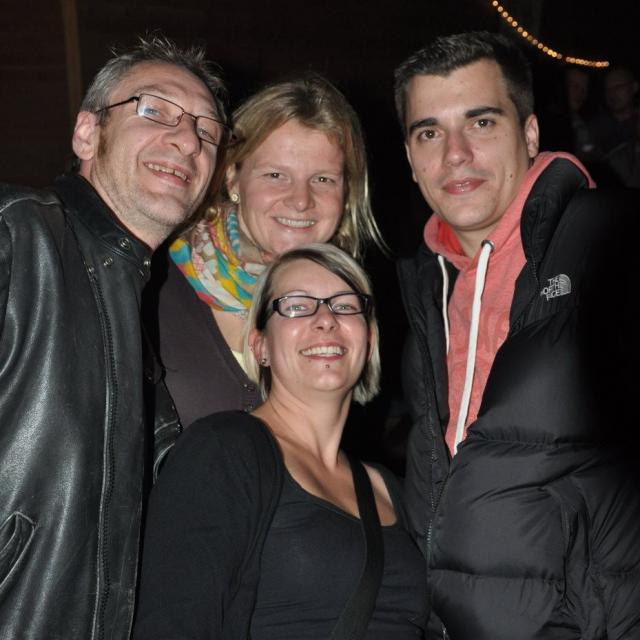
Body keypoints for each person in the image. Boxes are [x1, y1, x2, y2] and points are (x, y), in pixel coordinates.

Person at [394, 31, 640, 639]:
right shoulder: (426, 288)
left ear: (529, 135)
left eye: (481, 122)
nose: (455, 154)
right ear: (410, 158)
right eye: (429, 133)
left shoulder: (610, 243)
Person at [0, 35, 227, 639]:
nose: (188, 140)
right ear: (87, 133)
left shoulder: (132, 314)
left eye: (207, 131)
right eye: (155, 110)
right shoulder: (17, 236)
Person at [133, 244, 427, 639]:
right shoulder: (224, 451)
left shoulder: (388, 488)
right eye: (296, 306)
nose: (326, 320)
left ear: (369, 341)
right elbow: (170, 623)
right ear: (261, 346)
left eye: (344, 306)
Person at [143, 74, 384, 430]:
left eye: (322, 179)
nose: (301, 200)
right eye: (275, 175)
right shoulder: (152, 282)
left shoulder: (345, 311)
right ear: (232, 177)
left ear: (346, 193)